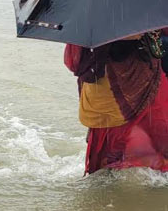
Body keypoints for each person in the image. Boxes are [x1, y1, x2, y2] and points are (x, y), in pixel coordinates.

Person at [64, 31, 168, 174]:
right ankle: (110, 174)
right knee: (113, 139)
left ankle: (157, 172)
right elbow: (86, 38)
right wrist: (125, 33)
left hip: (146, 71)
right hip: (110, 78)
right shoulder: (95, 15)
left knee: (158, 125)